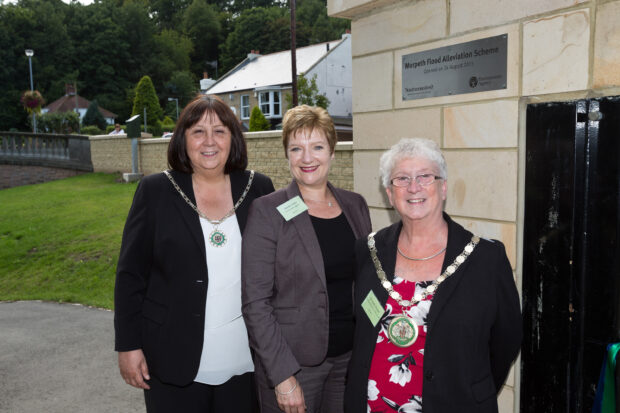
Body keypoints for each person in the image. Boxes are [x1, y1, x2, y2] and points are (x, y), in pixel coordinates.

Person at [114, 94, 275, 412]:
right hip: (171, 357)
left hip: (246, 359)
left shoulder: (259, 189)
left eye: (220, 131)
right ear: (182, 140)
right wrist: (128, 345)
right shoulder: (156, 191)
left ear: (233, 138)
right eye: (198, 131)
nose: (209, 141)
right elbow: (130, 275)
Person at [345, 138, 522, 413]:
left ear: (443, 187)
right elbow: (360, 331)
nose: (413, 187)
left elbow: (506, 341)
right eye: (401, 179)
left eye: (425, 176)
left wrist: (471, 386)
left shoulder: (485, 259)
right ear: (390, 194)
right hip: (374, 405)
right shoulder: (368, 251)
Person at [242, 105, 372, 413]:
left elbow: (368, 281)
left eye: (317, 147)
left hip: (349, 359)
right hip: (295, 366)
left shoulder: (356, 206)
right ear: (287, 155)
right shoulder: (267, 211)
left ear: (332, 152)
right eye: (296, 148)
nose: (307, 158)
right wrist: (283, 377)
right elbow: (255, 303)